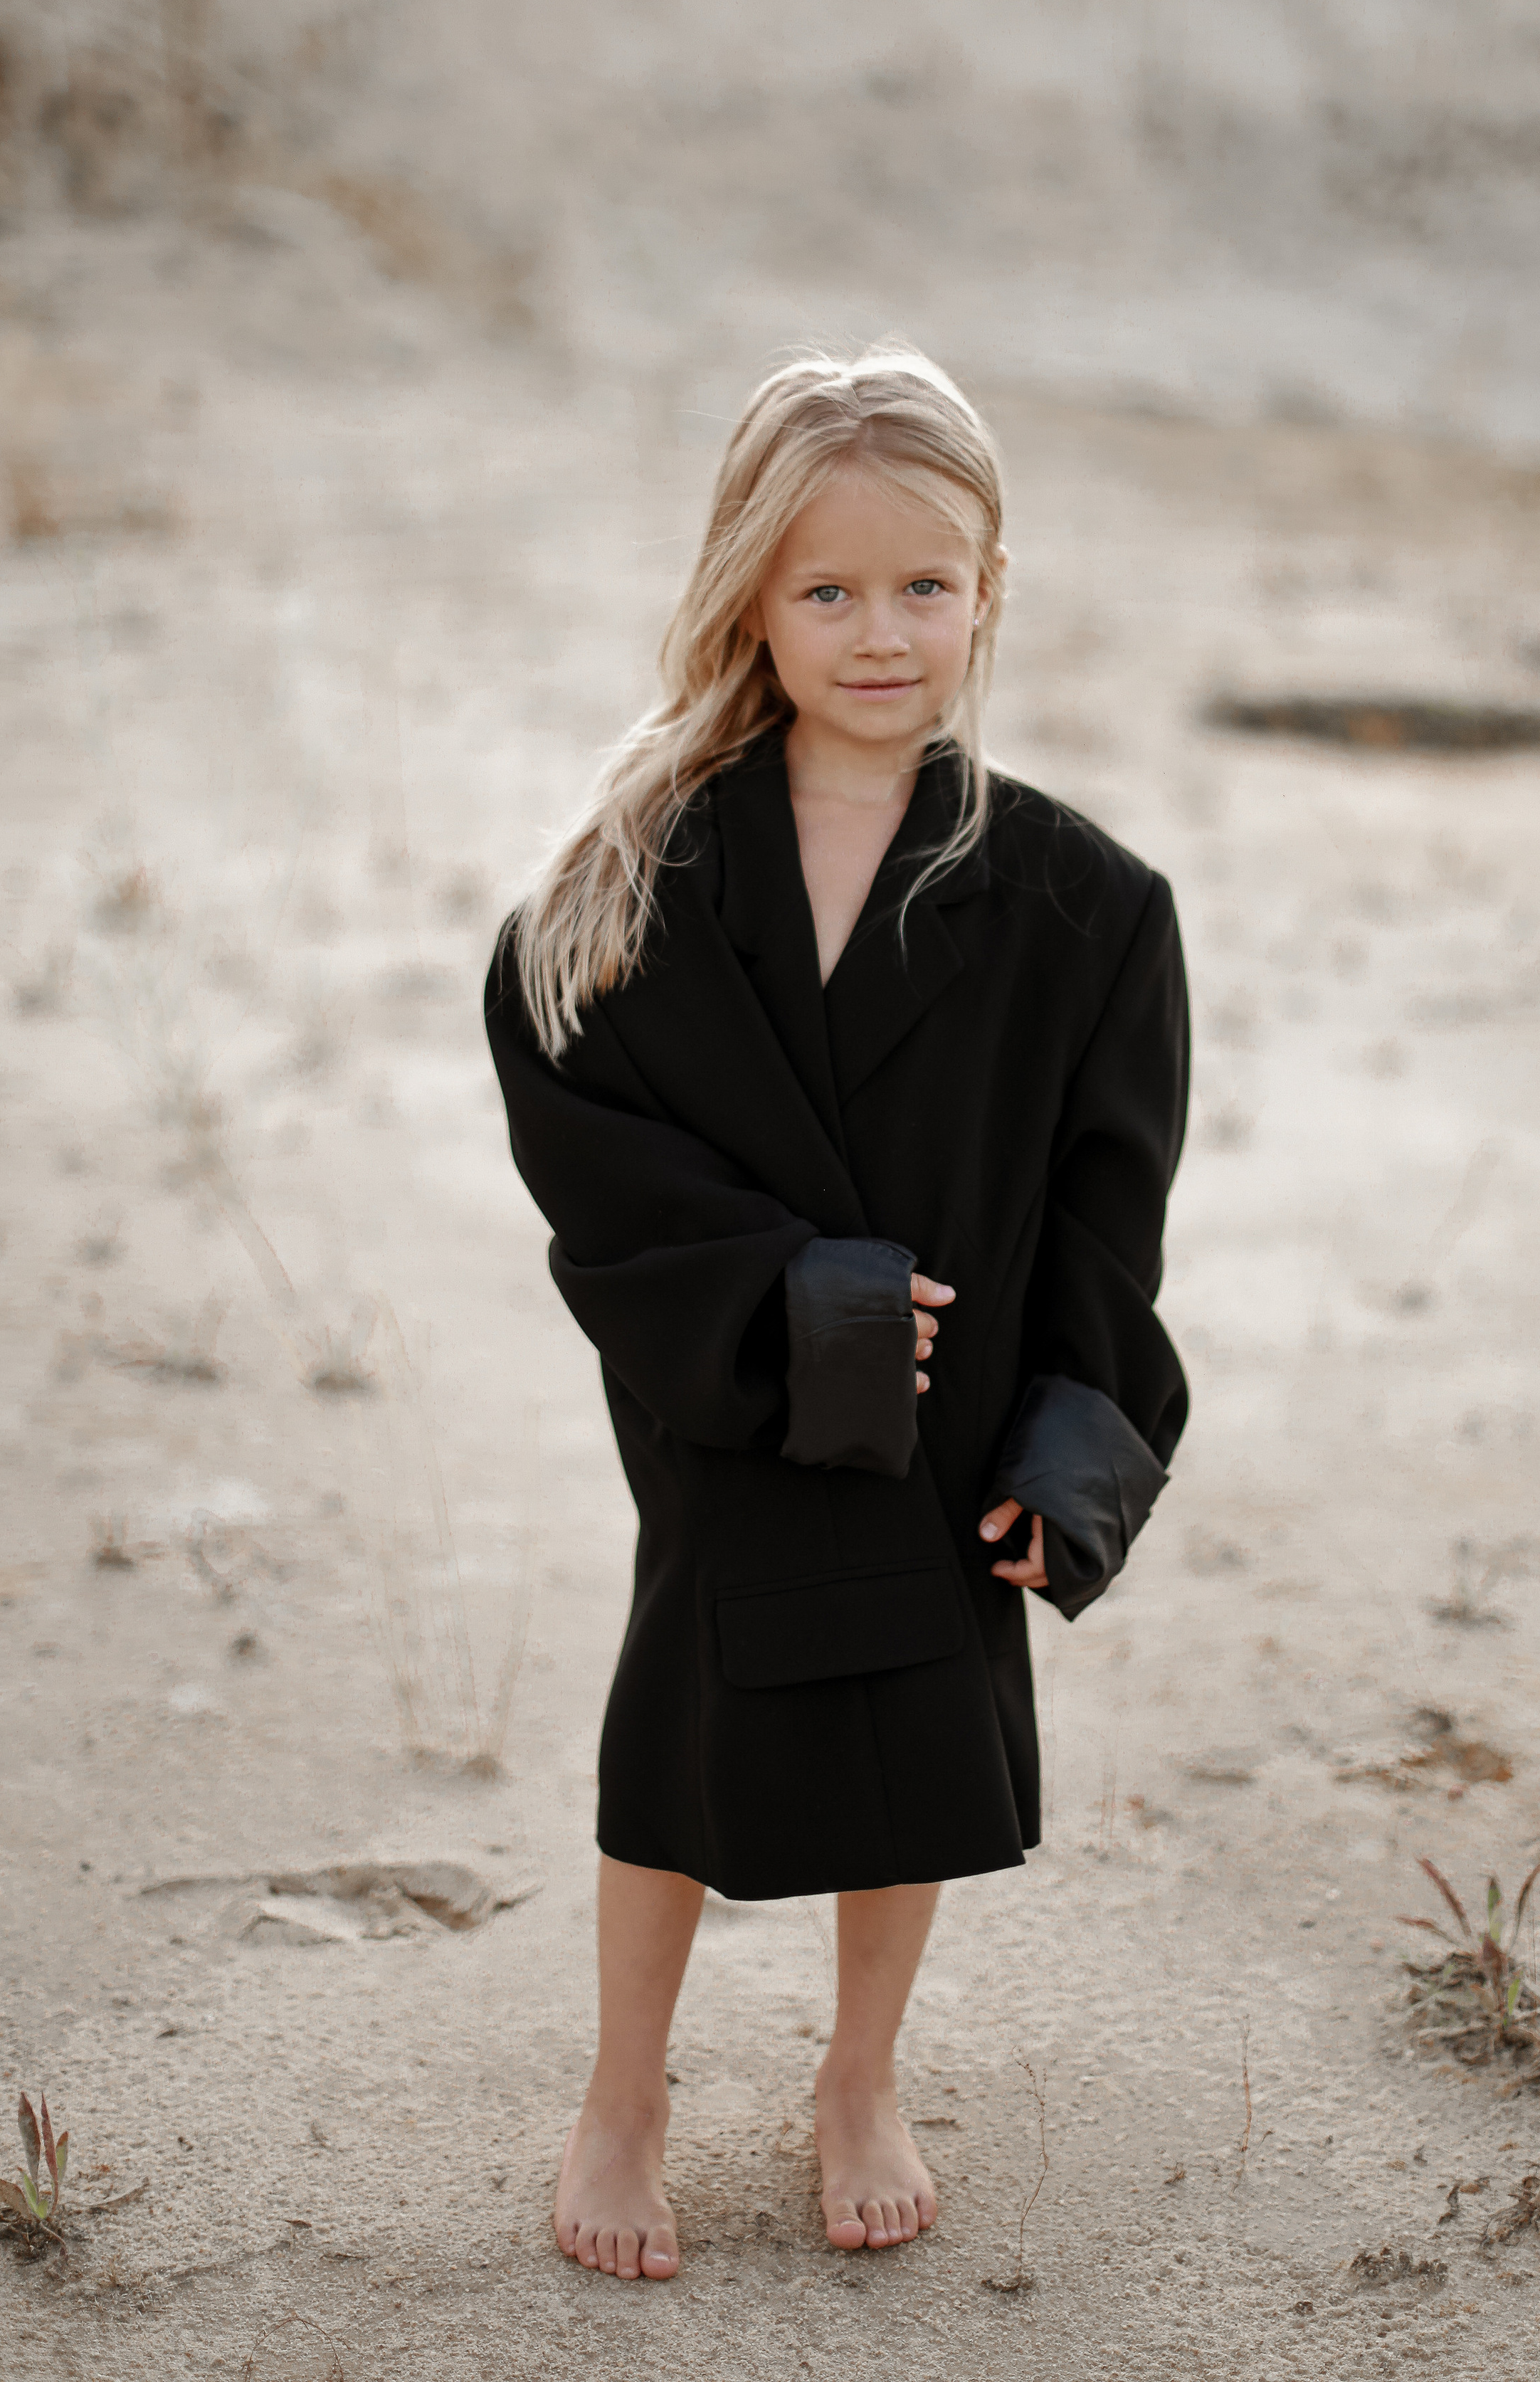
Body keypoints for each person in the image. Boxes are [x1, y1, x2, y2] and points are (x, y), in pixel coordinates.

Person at [485, 343, 1189, 2280]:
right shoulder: (629, 880)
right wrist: (802, 1304)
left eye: (925, 587)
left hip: (955, 1436)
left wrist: (1078, 1445)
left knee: (910, 1728)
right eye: (827, 590)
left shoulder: (1087, 908)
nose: (881, 632)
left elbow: (1109, 1221)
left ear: (988, 589)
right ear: (749, 597)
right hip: (729, 1399)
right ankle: (624, 2090)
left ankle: (858, 2074)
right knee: (680, 1741)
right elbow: (586, 1139)